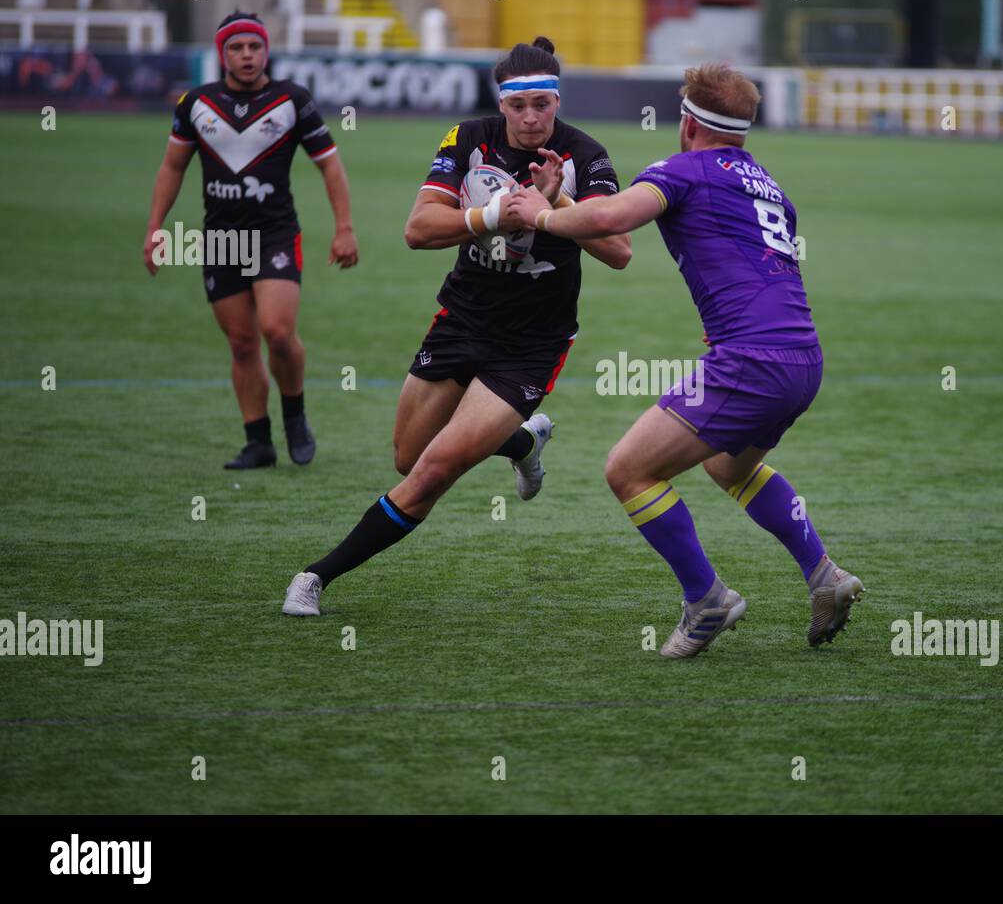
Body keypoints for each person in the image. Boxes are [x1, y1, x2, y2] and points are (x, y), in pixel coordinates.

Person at [507, 64, 863, 659]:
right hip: (800, 356)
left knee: (629, 470)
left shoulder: (681, 169)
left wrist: (537, 215)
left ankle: (707, 599)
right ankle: (824, 576)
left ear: (689, 124)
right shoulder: (766, 183)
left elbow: (611, 219)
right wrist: (562, 198)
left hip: (751, 361)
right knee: (729, 467)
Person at [280, 37, 630, 616]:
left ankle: (316, 577)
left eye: (542, 105)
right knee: (407, 456)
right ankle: (523, 441)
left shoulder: (585, 156)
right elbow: (418, 229)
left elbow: (618, 251)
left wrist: (555, 205)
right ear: (502, 103)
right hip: (462, 319)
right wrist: (493, 215)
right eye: (518, 107)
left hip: (531, 343)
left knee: (433, 471)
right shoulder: (468, 138)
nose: (530, 119)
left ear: (557, 101)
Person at [143, 11, 358, 469]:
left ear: (266, 51)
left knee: (277, 332)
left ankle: (295, 414)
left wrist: (344, 228)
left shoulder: (291, 101)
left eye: (254, 47)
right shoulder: (195, 104)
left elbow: (330, 166)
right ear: (222, 53)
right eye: (237, 48)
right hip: (221, 239)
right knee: (242, 344)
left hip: (274, 234)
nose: (246, 56)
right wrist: (156, 228)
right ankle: (257, 441)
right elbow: (172, 168)